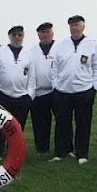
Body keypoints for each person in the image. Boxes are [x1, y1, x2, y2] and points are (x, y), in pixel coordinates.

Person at [50, 15, 97, 165]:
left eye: (77, 25)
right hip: (63, 91)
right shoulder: (62, 45)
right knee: (62, 123)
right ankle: (61, 152)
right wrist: (55, 86)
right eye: (72, 25)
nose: (74, 28)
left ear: (83, 26)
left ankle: (82, 154)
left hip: (84, 91)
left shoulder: (91, 44)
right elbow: (55, 67)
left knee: (83, 124)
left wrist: (94, 87)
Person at [0, 25, 35, 165]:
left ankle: (14, 153)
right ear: (9, 36)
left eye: (19, 35)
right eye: (14, 35)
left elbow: (32, 76)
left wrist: (29, 95)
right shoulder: (0, 52)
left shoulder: (28, 53)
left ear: (23, 36)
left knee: (17, 127)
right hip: (2, 94)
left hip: (22, 96)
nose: (17, 37)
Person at [28, 22, 68, 159]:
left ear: (52, 33)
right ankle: (42, 148)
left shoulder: (60, 48)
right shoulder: (32, 50)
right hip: (39, 92)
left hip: (57, 90)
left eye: (47, 32)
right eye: (42, 32)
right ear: (38, 34)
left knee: (63, 121)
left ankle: (65, 148)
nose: (45, 35)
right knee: (40, 122)